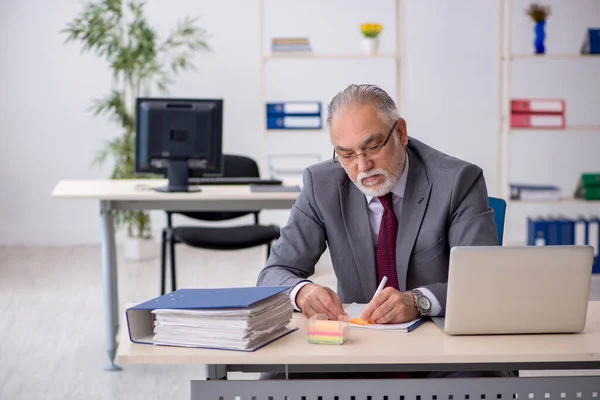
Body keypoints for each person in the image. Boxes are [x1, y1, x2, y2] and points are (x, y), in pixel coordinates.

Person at [257, 84, 510, 378]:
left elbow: (482, 284)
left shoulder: (458, 181)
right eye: (346, 154)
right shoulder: (321, 185)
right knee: (277, 377)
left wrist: (418, 301)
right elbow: (274, 272)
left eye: (373, 146)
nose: (362, 165)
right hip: (356, 350)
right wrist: (303, 292)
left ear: (401, 133)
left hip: (438, 351)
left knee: (479, 377)